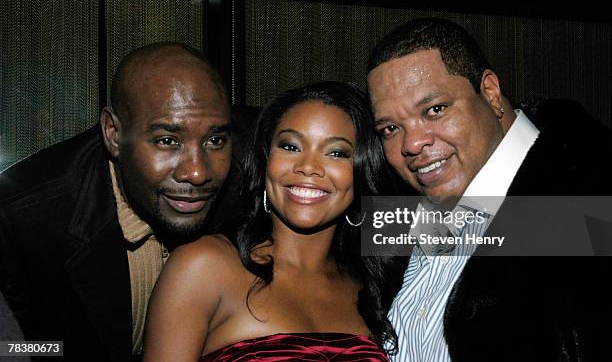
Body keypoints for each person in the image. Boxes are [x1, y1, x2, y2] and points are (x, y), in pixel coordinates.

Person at [366, 18, 612, 361]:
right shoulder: (394, 220)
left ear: (491, 92)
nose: (412, 143)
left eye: (435, 110)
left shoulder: (590, 201)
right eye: (391, 128)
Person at [0, 42, 233, 361]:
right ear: (113, 133)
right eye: (167, 141)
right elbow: (8, 348)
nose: (196, 171)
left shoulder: (254, 178)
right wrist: (62, 353)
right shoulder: (22, 217)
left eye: (215, 140)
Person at [142, 81, 405, 361]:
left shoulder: (375, 282)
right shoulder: (203, 265)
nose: (307, 167)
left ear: (362, 169)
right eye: (290, 147)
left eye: (337, 153)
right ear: (266, 159)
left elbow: (455, 220)